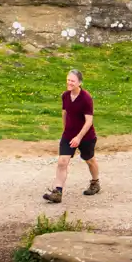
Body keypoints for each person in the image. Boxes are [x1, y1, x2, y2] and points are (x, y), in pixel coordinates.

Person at [43, 68, 99, 203]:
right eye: (68, 80)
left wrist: (78, 137)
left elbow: (89, 121)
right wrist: (66, 131)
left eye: (72, 81)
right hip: (68, 135)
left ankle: (95, 183)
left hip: (85, 136)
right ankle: (57, 192)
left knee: (90, 160)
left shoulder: (86, 98)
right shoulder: (65, 95)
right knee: (62, 162)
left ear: (79, 82)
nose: (69, 83)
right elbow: (65, 113)